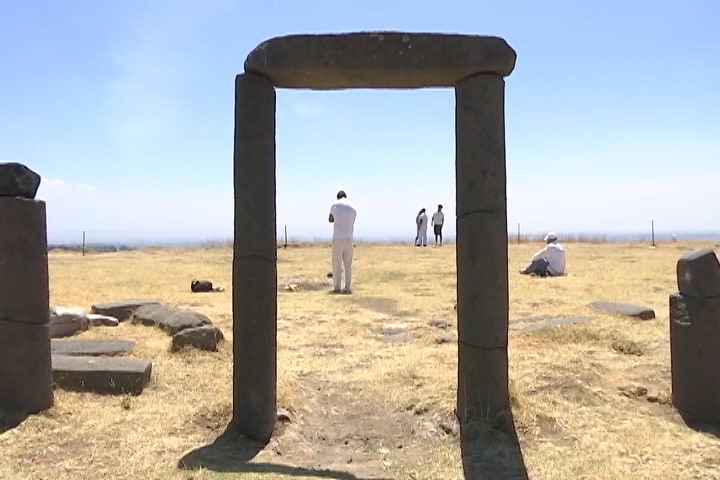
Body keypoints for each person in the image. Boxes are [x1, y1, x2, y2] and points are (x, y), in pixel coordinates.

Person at [328, 190, 357, 293]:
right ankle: (347, 287)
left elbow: (330, 219)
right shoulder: (353, 207)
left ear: (338, 197)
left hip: (338, 237)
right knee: (348, 264)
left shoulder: (334, 205)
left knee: (336, 263)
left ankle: (337, 287)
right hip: (349, 237)